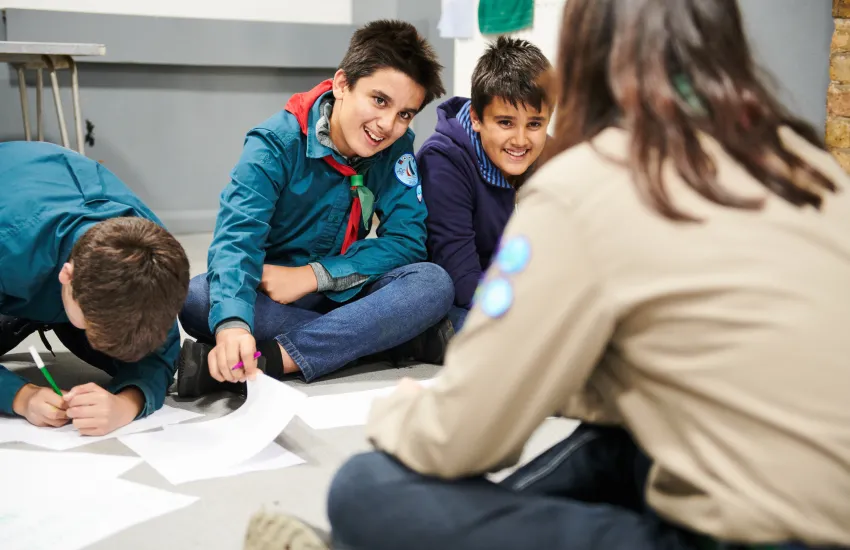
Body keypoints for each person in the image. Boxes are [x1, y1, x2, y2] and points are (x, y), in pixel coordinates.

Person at [242, 1, 850, 549]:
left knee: (366, 486)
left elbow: (466, 435)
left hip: (752, 528)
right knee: (617, 441)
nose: (523, 137)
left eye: (535, 122)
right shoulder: (812, 169)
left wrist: (399, 412)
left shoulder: (587, 178)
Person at [176, 19, 454, 397]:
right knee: (198, 299)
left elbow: (407, 240)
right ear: (342, 84)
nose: (388, 124)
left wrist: (314, 276)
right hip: (270, 296)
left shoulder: (395, 146)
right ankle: (392, 340)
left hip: (342, 287)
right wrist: (233, 327)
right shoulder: (273, 145)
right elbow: (235, 244)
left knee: (432, 282)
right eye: (379, 100)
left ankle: (271, 360)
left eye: (406, 113)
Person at [0, 141, 190, 436]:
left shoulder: (153, 259)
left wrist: (126, 404)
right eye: (90, 327)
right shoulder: (9, 246)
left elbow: (161, 348)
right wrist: (21, 396)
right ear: (67, 275)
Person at [418, 36, 551, 332]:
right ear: (477, 119)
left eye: (535, 124)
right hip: (461, 295)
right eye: (505, 123)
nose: (520, 140)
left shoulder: (547, 155)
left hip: (514, 286)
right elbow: (463, 282)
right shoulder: (443, 162)